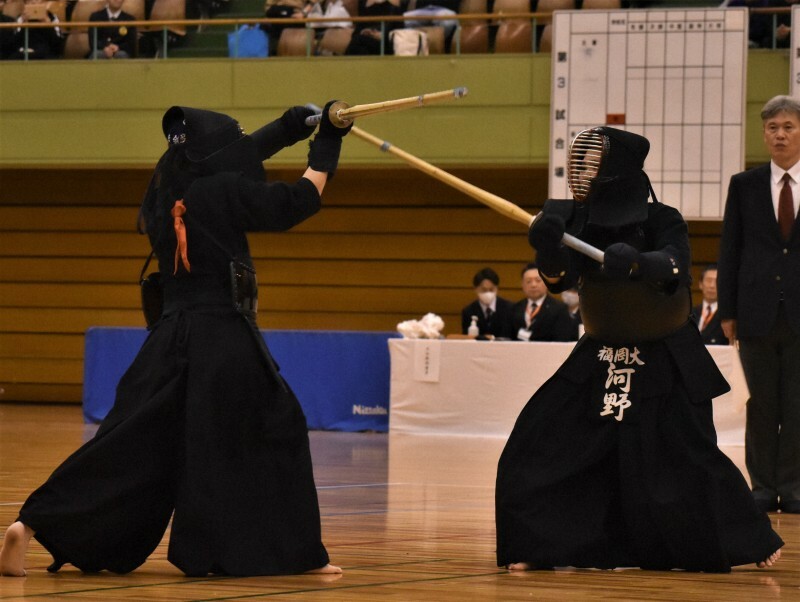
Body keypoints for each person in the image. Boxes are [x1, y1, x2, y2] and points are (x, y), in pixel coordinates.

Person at [0, 101, 352, 577]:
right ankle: (291, 554)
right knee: (277, 427)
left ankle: (30, 525)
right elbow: (295, 203)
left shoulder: (165, 189)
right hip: (224, 337)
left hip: (168, 338)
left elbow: (239, 154)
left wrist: (294, 126)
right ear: (215, 154)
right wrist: (327, 144)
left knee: (127, 444)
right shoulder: (223, 190)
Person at [496, 126, 783, 572]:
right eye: (581, 164)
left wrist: (636, 261)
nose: (583, 173)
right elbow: (560, 282)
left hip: (666, 353)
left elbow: (676, 266)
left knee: (688, 455)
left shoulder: (662, 218)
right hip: (602, 352)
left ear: (618, 170)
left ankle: (749, 539)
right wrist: (548, 250)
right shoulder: (574, 217)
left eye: (593, 164)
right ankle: (542, 544)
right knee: (542, 440)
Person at [718, 95, 800, 515]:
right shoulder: (744, 185)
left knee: (797, 407)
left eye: (788, 126)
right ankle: (763, 488)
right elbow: (730, 250)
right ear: (764, 134)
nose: (780, 134)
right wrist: (727, 312)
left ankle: (794, 487)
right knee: (761, 407)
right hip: (754, 314)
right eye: (772, 128)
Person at [507, 262, 577, 342]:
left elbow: (562, 339)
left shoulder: (559, 309)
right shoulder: (514, 308)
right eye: (528, 281)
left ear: (546, 283)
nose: (533, 285)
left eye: (538, 280)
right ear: (522, 284)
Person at [460, 267, 514, 339]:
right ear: (476, 289)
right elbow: (466, 338)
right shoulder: (468, 312)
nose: (488, 293)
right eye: (484, 290)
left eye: (491, 289)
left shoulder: (509, 309)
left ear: (497, 288)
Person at [690, 263, 728, 345]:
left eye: (716, 281)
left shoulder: (727, 315)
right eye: (708, 280)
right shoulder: (689, 312)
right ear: (700, 284)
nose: (712, 286)